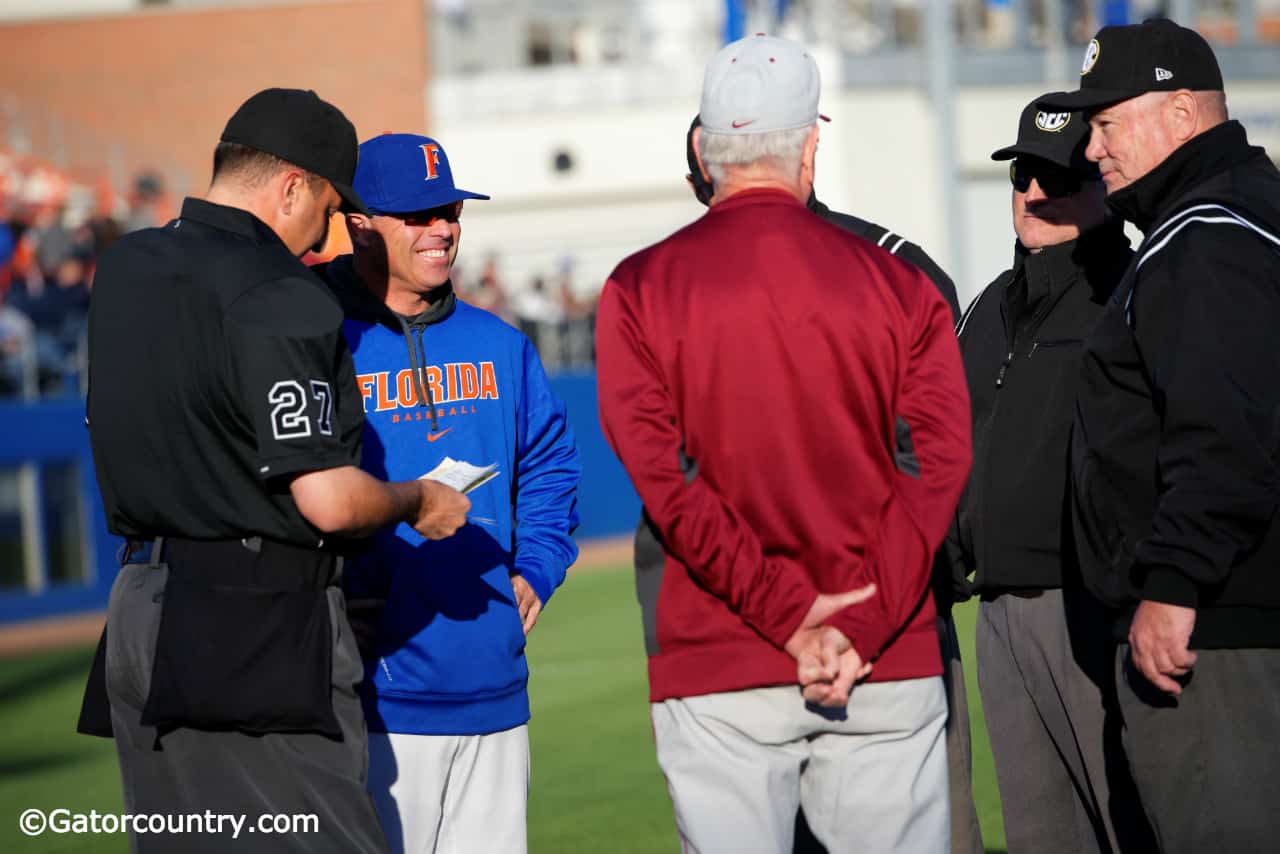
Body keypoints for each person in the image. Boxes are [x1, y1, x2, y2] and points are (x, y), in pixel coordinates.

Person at [596, 34, 971, 853]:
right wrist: (858, 622)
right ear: (811, 144)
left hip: (722, 653)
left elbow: (668, 481)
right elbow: (936, 466)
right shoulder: (898, 282)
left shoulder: (637, 288)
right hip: (883, 655)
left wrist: (789, 616)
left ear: (704, 149)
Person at [79, 88, 470, 854]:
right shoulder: (280, 291)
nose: (323, 233)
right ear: (291, 185)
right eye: (325, 207)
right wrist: (418, 498)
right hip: (253, 619)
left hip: (137, 608)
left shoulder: (127, 266)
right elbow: (326, 500)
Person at [1040, 19, 1280, 852]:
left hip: (1221, 631)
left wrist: (1175, 583)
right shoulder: (1239, 214)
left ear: (1181, 113)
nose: (1092, 147)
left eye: (1106, 122)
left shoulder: (1206, 233)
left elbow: (1224, 429)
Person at [313, 133, 581, 854]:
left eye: (451, 210)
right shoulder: (315, 339)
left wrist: (539, 569)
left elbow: (551, 468)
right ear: (361, 222)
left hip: (493, 681)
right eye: (418, 214)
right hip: (373, 694)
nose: (443, 229)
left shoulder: (500, 343)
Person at [948, 94, 1154, 854]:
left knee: (1128, 820)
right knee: (1041, 835)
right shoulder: (990, 306)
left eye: (1057, 178)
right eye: (1023, 173)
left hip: (1095, 608)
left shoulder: (1130, 290)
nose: (1034, 193)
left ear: (1101, 184)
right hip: (999, 608)